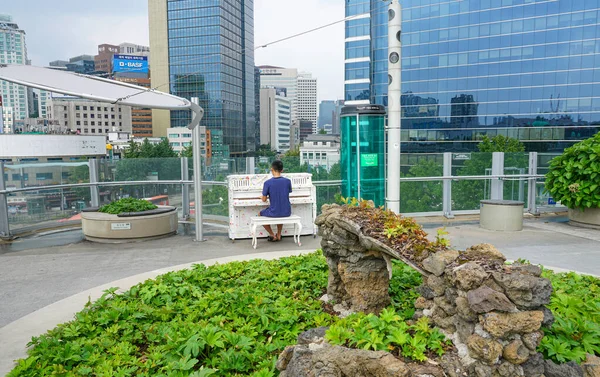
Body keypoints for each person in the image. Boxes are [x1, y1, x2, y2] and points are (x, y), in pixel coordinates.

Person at [259, 160, 292, 242]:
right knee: (280, 209)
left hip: (274, 211)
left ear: (271, 169)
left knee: (260, 214)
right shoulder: (288, 181)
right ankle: (279, 234)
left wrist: (261, 197)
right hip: (287, 211)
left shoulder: (267, 183)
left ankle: (272, 235)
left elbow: (264, 200)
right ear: (282, 170)